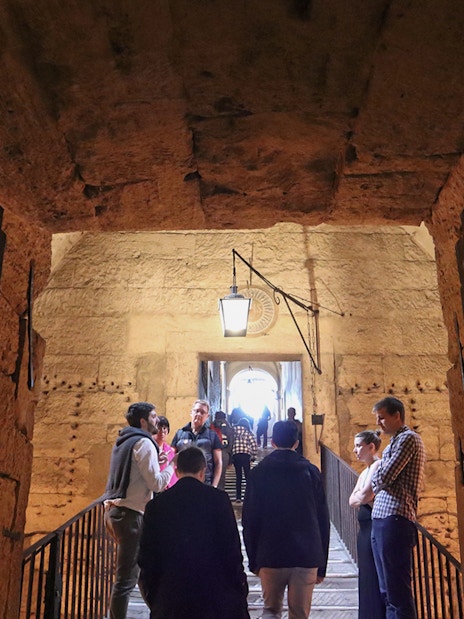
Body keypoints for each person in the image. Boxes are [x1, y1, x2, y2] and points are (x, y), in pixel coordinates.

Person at [137, 446, 250, 619]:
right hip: (214, 597)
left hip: (171, 598)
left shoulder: (156, 506)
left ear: (176, 470)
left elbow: (147, 558)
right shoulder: (219, 500)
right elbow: (231, 550)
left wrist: (156, 598)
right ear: (203, 471)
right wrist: (239, 588)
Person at [242, 420, 330, 619]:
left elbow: (250, 519)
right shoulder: (311, 472)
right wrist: (321, 563)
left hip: (270, 554)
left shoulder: (259, 473)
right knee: (299, 614)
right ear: (296, 443)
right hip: (306, 555)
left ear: (272, 442)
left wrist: (253, 559)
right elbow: (323, 520)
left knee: (270, 611)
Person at [102, 402, 175, 619]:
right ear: (143, 421)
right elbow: (157, 484)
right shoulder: (143, 443)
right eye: (153, 417)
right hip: (131, 516)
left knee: (145, 569)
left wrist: (158, 460)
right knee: (125, 580)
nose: (157, 420)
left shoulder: (124, 440)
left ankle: (161, 610)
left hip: (116, 513)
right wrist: (173, 464)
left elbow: (135, 472)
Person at [371, 396, 426, 619]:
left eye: (382, 418)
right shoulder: (394, 441)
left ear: (397, 415)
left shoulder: (408, 440)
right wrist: (379, 476)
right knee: (387, 591)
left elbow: (384, 476)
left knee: (398, 592)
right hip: (383, 518)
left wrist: (378, 476)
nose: (379, 423)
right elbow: (381, 476)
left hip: (395, 518)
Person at [348, 430, 385, 619]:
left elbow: (363, 496)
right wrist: (360, 496)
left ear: (371, 447)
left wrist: (361, 496)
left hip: (373, 527)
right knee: (366, 576)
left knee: (374, 575)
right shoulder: (364, 472)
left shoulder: (378, 465)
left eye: (358, 446)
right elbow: (351, 499)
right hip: (363, 531)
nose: (354, 450)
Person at [171, 399, 222, 487]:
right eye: (196, 411)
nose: (198, 414)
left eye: (202, 412)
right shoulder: (179, 434)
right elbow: (171, 457)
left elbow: (218, 462)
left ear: (207, 416)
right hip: (182, 483)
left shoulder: (212, 436)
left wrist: (214, 486)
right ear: (191, 412)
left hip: (205, 484)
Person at [232, 417, 258, 503]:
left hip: (236, 455)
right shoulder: (248, 432)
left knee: (238, 476)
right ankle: (249, 496)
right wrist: (254, 456)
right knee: (247, 476)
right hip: (246, 455)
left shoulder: (233, 431)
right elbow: (253, 444)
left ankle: (238, 497)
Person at [210, 410, 234, 490]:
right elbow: (231, 442)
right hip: (224, 452)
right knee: (221, 474)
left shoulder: (211, 426)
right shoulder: (229, 427)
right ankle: (220, 491)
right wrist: (230, 458)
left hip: (212, 452)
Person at [152, 415, 178, 488]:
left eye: (164, 428)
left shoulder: (170, 450)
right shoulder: (150, 448)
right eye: (159, 428)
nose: (162, 431)